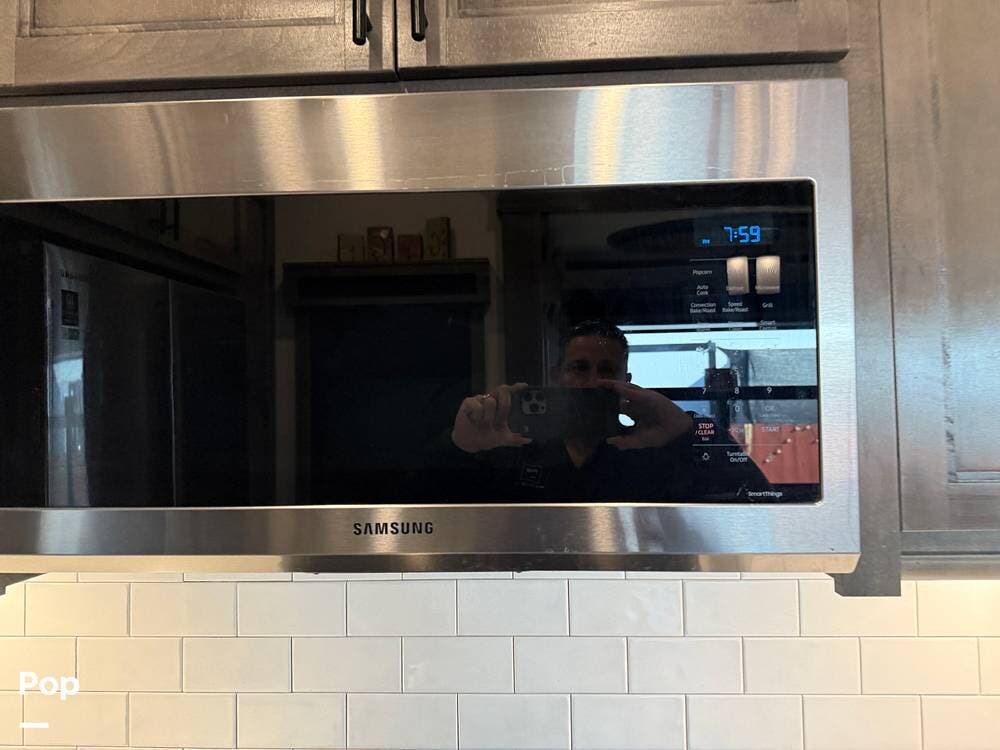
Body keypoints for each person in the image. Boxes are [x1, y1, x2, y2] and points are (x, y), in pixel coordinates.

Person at [430, 320, 770, 502]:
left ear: (626, 381)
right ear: (557, 377)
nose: (593, 381)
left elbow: (755, 500)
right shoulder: (513, 446)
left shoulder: (651, 447)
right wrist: (459, 446)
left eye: (607, 370)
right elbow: (428, 511)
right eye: (579, 368)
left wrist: (685, 429)